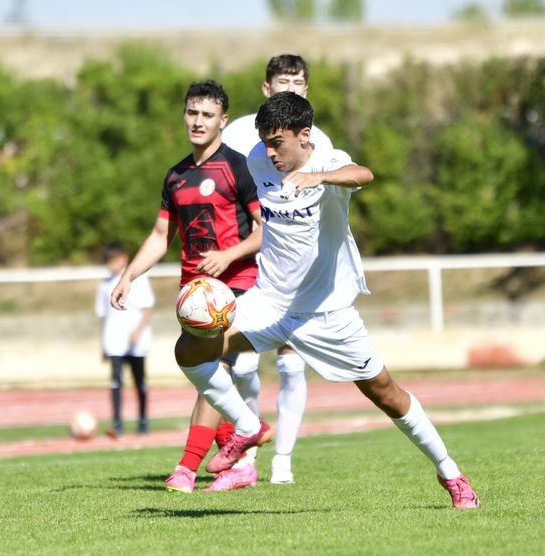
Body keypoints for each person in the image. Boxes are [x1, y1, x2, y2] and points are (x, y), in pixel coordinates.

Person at [168, 91, 479, 509]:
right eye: (265, 141)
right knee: (189, 350)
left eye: (278, 142)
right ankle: (248, 426)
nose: (270, 152)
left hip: (327, 314)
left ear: (305, 135)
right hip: (269, 302)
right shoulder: (258, 159)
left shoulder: (329, 162)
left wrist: (320, 178)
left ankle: (451, 474)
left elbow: (363, 174)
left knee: (386, 393)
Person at [110, 80, 268, 493]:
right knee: (204, 373)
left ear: (223, 121)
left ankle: (186, 467)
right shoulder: (176, 175)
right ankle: (239, 453)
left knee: (214, 366)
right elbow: (161, 236)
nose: (198, 122)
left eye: (207, 115)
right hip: (193, 292)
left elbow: (262, 233)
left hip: (236, 285)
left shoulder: (238, 168)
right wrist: (128, 275)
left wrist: (228, 255)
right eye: (192, 113)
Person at [221, 53, 333, 485]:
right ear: (266, 88)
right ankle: (247, 454)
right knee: (241, 362)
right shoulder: (239, 134)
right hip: (250, 255)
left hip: (297, 269)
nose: (291, 87)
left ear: (307, 89)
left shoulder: (316, 140)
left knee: (290, 363)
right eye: (283, 81)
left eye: (299, 82)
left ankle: (282, 461)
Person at [94, 241, 154, 437]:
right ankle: (117, 423)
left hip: (136, 341)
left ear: (124, 258)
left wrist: (137, 331)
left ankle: (143, 421)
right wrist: (103, 344)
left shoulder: (139, 279)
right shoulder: (104, 284)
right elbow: (103, 315)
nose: (111, 265)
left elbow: (147, 307)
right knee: (115, 381)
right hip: (114, 340)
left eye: (114, 260)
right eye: (107, 261)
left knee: (140, 381)